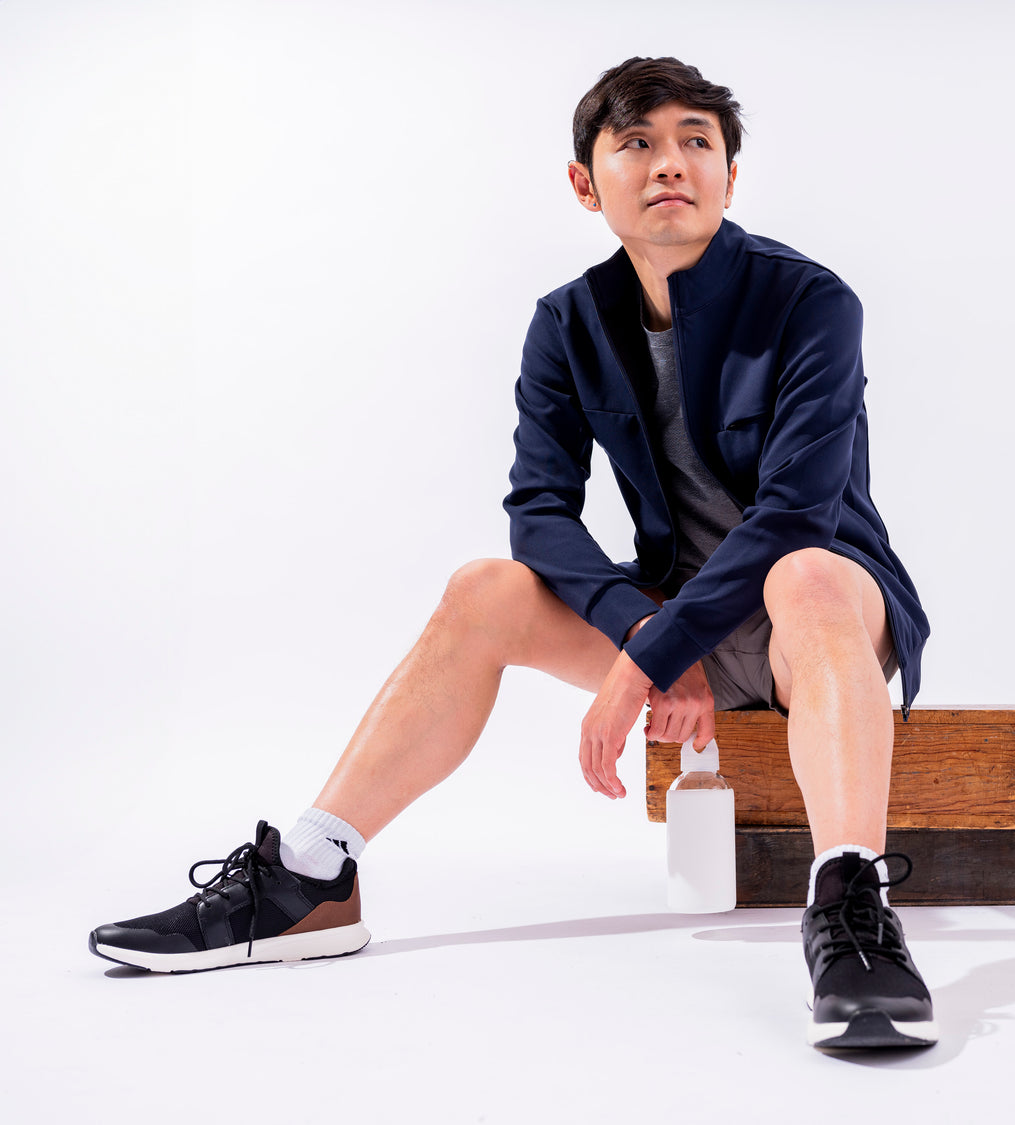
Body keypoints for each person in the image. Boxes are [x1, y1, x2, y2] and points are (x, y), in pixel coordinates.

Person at [88, 56, 935, 1051]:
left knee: (803, 570)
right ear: (587, 182)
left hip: (822, 628)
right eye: (637, 143)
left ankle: (851, 905)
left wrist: (647, 663)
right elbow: (538, 514)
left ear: (730, 176)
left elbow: (795, 513)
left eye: (696, 142)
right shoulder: (568, 323)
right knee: (482, 589)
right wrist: (646, 629)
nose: (671, 163)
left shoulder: (810, 302)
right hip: (671, 623)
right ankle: (313, 876)